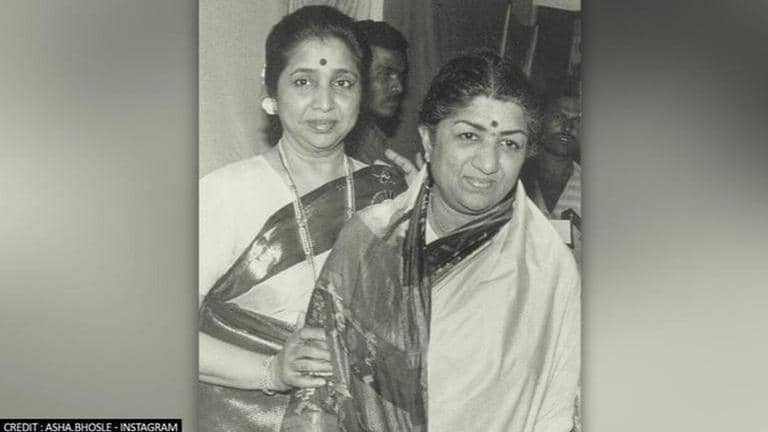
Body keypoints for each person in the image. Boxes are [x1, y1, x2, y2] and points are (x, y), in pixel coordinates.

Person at [282, 51, 581, 431]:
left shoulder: (547, 268)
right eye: (469, 136)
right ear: (428, 138)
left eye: (509, 144)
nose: (488, 164)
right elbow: (318, 387)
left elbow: (555, 411)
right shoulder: (369, 241)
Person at [198, 6, 406, 432]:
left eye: (342, 83)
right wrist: (271, 371)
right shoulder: (226, 193)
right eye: (303, 82)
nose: (324, 103)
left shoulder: (388, 196)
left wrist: (433, 215)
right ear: (271, 91)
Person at [344, 20, 408, 164]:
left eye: (401, 76)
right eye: (385, 74)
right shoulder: (330, 142)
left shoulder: (372, 138)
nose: (399, 88)